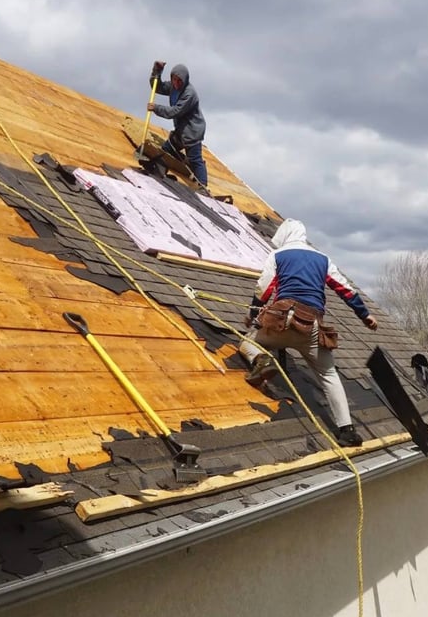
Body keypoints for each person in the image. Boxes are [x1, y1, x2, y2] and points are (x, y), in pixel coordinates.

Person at [239, 219, 378, 447]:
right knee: (329, 374)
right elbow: (345, 289)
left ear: (284, 236)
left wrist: (252, 314)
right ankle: (347, 431)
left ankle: (263, 360)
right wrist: (365, 315)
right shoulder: (323, 259)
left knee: (247, 342)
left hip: (282, 322)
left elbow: (264, 288)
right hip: (311, 326)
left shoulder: (278, 255)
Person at [147, 61, 207, 186]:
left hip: (192, 132)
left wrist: (156, 108)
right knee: (166, 150)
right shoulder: (173, 87)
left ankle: (203, 186)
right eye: (174, 79)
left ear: (185, 80)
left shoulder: (189, 94)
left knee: (195, 160)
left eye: (179, 81)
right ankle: (164, 170)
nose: (176, 83)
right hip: (181, 130)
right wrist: (157, 71)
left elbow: (175, 112)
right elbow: (157, 87)